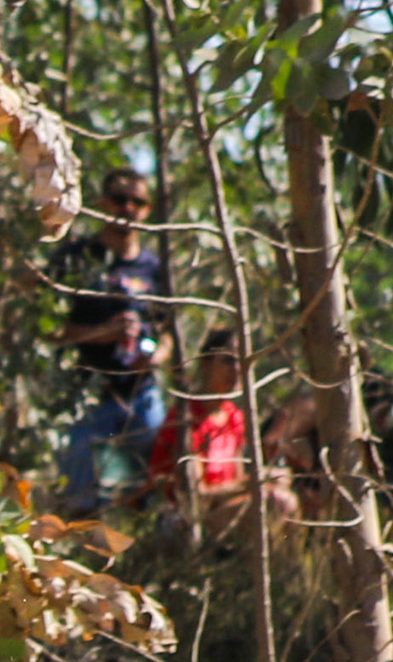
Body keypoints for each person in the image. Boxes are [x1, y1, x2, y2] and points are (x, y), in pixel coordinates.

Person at [49, 167, 168, 516]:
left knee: (154, 491)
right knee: (80, 500)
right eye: (119, 200)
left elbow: (167, 334)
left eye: (138, 202)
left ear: (147, 210)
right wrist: (100, 334)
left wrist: (156, 356)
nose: (127, 209)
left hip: (142, 396)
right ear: (102, 203)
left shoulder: (154, 268)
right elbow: (49, 329)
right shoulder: (75, 259)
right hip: (88, 394)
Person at [146, 338, 255, 508]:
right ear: (206, 364)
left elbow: (238, 478)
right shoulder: (188, 417)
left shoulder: (234, 417)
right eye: (229, 360)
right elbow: (197, 494)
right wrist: (253, 485)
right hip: (187, 515)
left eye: (242, 360)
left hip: (226, 505)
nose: (237, 369)